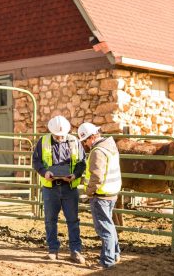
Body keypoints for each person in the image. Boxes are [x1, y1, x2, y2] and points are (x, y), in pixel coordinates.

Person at [32, 115, 86, 264]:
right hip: (50, 188)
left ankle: (75, 251)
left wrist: (75, 174)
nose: (60, 137)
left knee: (73, 220)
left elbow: (82, 162)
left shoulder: (75, 141)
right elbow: (36, 161)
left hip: (69, 188)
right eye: (57, 135)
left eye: (62, 135)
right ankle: (53, 250)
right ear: (51, 132)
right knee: (50, 220)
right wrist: (45, 172)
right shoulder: (43, 142)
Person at [77, 122, 121, 269]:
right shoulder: (110, 146)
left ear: (91, 137)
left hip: (100, 194)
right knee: (109, 225)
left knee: (104, 228)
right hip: (111, 192)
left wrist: (87, 193)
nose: (85, 144)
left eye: (85, 141)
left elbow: (96, 177)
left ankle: (107, 260)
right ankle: (115, 254)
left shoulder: (98, 151)